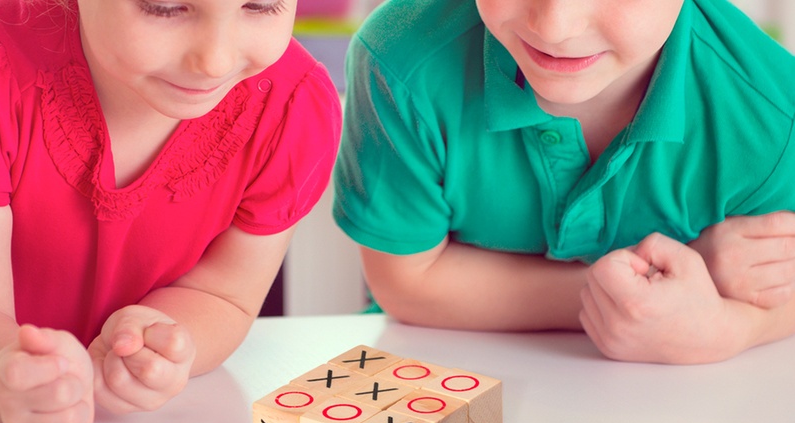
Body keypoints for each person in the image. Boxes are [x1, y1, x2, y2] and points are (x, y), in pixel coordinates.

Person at [0, 0, 341, 423]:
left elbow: (226, 296)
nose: (215, 61)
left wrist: (164, 337)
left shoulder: (291, 108)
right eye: (165, 8)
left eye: (261, 6)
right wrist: (5, 378)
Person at [333, 0, 795, 364]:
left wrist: (732, 330)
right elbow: (406, 284)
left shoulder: (773, 114)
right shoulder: (399, 60)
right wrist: (694, 277)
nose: (554, 27)